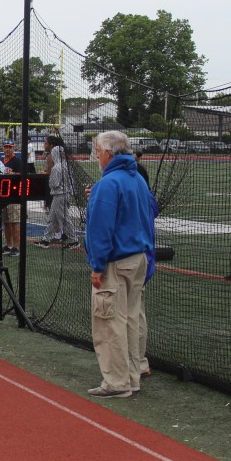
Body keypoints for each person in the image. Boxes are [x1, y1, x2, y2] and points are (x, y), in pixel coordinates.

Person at [83, 132, 154, 398]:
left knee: (109, 321)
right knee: (131, 320)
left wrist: (97, 265)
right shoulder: (137, 179)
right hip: (138, 258)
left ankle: (116, 382)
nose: (96, 155)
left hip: (115, 261)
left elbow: (101, 229)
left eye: (98, 150)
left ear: (109, 153)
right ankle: (132, 376)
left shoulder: (108, 183)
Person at [41, 135, 78, 247]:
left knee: (64, 218)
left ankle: (74, 240)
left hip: (59, 195)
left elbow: (53, 184)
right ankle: (46, 240)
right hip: (65, 194)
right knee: (52, 219)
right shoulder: (66, 165)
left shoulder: (56, 168)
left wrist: (50, 177)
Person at [0, 139, 33, 256]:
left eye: (10, 147)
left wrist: (13, 174)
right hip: (3, 195)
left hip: (14, 195)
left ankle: (16, 247)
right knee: (6, 222)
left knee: (14, 222)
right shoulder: (1, 161)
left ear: (14, 148)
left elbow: (24, 176)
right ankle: (9, 245)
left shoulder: (17, 161)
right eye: (6, 147)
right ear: (3, 148)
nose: (8, 149)